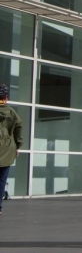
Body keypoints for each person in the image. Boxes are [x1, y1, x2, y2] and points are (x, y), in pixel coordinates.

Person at [0, 84, 23, 216]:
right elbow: (19, 128)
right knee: (2, 180)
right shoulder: (12, 113)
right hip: (7, 151)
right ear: (6, 98)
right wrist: (18, 146)